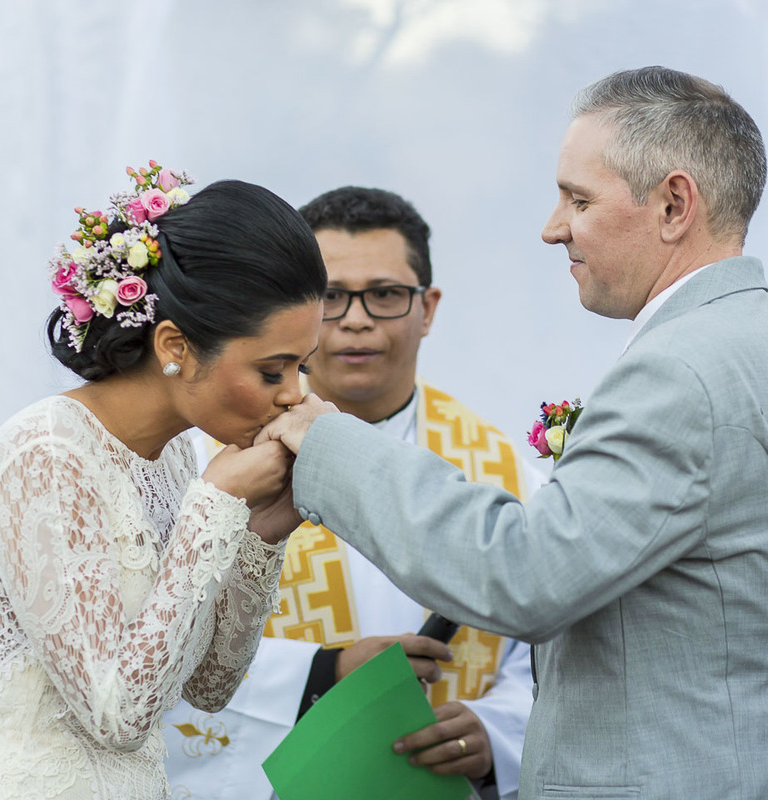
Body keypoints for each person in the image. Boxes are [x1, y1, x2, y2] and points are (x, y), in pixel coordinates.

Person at [261, 67, 768, 800]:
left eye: (578, 199)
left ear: (674, 204)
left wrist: (326, 445)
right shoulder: (766, 347)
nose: (552, 227)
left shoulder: (681, 374)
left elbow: (521, 578)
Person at [0, 164, 327, 800]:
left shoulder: (173, 459)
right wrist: (218, 504)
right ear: (174, 345)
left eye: (302, 367)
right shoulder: (44, 452)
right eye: (272, 370)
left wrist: (262, 531)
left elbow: (207, 686)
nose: (295, 395)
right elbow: (116, 714)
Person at [163, 187, 538, 800]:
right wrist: (322, 672)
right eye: (333, 297)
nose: (357, 319)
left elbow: (549, 653)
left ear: (429, 308)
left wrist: (493, 734)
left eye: (386, 295)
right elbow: (157, 646)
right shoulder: (209, 467)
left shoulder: (505, 475)